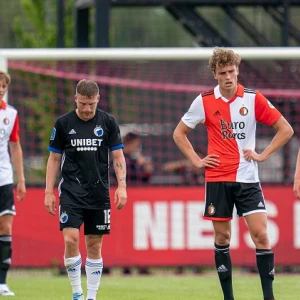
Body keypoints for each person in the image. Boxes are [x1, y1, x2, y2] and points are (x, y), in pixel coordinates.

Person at [173, 48, 294, 300]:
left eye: (231, 71)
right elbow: (179, 133)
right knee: (223, 236)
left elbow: (286, 130)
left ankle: (269, 297)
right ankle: (228, 297)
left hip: (248, 178)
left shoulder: (253, 98)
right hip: (218, 179)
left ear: (237, 70)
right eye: (222, 73)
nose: (228, 77)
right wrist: (196, 160)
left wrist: (263, 155)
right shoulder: (204, 101)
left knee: (261, 235)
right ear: (215, 75)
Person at [44, 79, 127, 300]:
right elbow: (53, 159)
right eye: (83, 104)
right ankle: (77, 293)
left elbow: (118, 156)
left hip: (99, 192)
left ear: (98, 99)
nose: (87, 109)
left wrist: (122, 187)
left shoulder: (108, 122)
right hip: (71, 191)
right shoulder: (63, 123)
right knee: (70, 239)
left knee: (94, 244)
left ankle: (91, 296)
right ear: (76, 99)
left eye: (91, 104)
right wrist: (47, 191)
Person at [0, 70, 26, 296]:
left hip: (4, 178)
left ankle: (2, 281)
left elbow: (15, 146)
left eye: (4, 86)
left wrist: (21, 179)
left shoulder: (11, 114)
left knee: (6, 227)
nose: (1, 89)